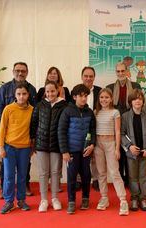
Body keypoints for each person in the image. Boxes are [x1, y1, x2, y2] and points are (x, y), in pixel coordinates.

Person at [0, 62, 37, 197]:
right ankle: (5, 191)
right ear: (13, 71)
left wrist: (32, 139)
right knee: (7, 170)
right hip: (9, 138)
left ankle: (24, 188)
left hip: (25, 140)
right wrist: (7, 126)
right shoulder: (4, 89)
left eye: (23, 71)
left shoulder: (32, 89)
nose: (20, 73)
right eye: (17, 70)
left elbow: (35, 113)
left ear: (27, 72)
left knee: (24, 167)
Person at [58, 84, 96, 214]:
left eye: (86, 96)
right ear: (74, 97)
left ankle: (85, 198)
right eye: (81, 96)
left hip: (86, 151)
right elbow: (61, 132)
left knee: (86, 175)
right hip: (71, 151)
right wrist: (64, 151)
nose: (84, 99)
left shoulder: (89, 112)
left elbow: (93, 130)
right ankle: (71, 202)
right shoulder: (67, 111)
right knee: (72, 177)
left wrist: (92, 145)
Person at [30, 81, 68, 212]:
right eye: (47, 91)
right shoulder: (40, 105)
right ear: (45, 92)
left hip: (57, 145)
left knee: (55, 172)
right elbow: (34, 123)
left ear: (57, 90)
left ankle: (55, 198)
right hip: (41, 144)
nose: (50, 94)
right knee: (43, 173)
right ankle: (44, 200)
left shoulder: (64, 105)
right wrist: (33, 142)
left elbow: (66, 125)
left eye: (52, 91)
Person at [0, 82, 34, 214]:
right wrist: (1, 147)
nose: (22, 97)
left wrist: (32, 147)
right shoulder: (8, 109)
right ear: (15, 95)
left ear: (28, 95)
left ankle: (21, 200)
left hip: (24, 149)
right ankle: (8, 202)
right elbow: (2, 129)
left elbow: (33, 130)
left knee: (22, 176)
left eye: (24, 94)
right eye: (19, 94)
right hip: (9, 148)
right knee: (8, 176)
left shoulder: (32, 110)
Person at [121, 89, 146, 211]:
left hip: (145, 152)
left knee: (144, 176)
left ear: (143, 102)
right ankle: (135, 198)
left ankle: (143, 199)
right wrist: (129, 146)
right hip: (131, 153)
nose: (138, 101)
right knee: (132, 176)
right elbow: (121, 134)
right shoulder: (125, 116)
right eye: (135, 98)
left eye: (140, 98)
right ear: (130, 101)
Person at [94, 88, 129, 216]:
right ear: (99, 99)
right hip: (98, 144)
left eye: (107, 97)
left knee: (114, 172)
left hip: (110, 144)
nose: (104, 100)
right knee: (101, 173)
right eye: (102, 97)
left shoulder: (115, 112)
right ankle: (104, 197)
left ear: (111, 99)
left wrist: (116, 148)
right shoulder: (96, 112)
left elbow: (118, 131)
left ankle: (123, 199)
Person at [106, 62, 141, 187]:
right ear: (116, 72)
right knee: (118, 153)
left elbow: (139, 103)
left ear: (127, 72)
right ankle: (120, 179)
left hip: (131, 123)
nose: (120, 73)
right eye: (118, 71)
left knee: (129, 152)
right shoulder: (109, 87)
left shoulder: (136, 86)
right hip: (115, 124)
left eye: (122, 71)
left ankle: (130, 180)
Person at [81, 66, 102, 192]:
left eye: (91, 76)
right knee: (80, 153)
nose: (88, 78)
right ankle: (80, 180)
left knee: (95, 155)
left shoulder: (100, 91)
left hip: (95, 126)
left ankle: (96, 179)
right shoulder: (77, 90)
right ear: (82, 77)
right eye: (86, 76)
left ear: (94, 77)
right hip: (80, 127)